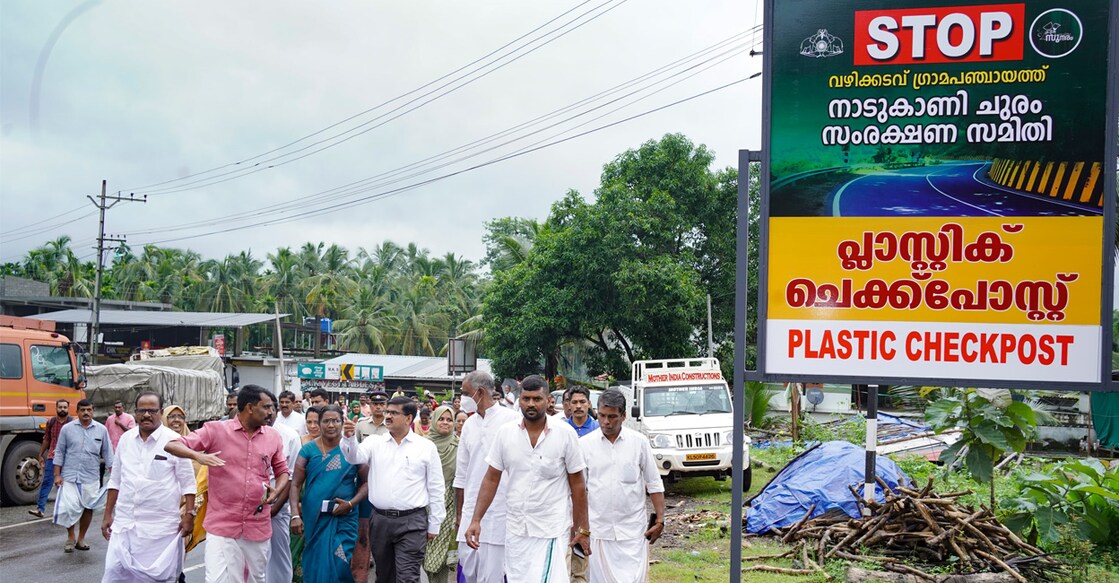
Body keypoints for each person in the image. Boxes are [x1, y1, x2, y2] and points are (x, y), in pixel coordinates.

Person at [465, 375, 590, 583]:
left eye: (537, 399)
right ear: (519, 399)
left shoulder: (564, 433)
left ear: (548, 400)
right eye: (526, 398)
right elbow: (491, 479)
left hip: (550, 529)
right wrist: (476, 519)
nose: (531, 404)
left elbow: (578, 484)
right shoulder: (505, 434)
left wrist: (582, 529)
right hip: (516, 529)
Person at [164, 384, 290, 583]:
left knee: (255, 579)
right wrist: (198, 456)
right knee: (217, 580)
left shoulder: (273, 436)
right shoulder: (215, 430)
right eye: (266, 407)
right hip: (222, 526)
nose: (271, 412)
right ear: (250, 407)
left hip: (257, 524)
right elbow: (172, 445)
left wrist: (276, 491)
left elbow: (283, 471)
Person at [341, 396, 445, 583]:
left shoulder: (426, 447)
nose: (388, 416)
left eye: (394, 413)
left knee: (407, 576)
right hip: (380, 520)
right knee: (385, 575)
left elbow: (436, 487)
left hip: (412, 522)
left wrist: (435, 523)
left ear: (408, 418)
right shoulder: (374, 442)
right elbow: (354, 457)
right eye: (388, 412)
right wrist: (348, 439)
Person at [100, 392, 197, 582]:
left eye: (152, 410)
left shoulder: (175, 441)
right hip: (125, 525)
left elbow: (188, 484)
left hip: (160, 530)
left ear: (160, 412)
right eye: (142, 410)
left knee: (158, 578)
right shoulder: (126, 440)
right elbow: (116, 480)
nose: (146, 415)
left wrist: (189, 517)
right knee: (115, 573)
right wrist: (107, 515)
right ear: (135, 413)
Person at [579, 390, 666, 583]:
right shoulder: (584, 445)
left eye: (612, 417)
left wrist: (660, 520)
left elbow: (653, 482)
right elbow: (579, 491)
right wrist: (580, 528)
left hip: (633, 532)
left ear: (623, 416)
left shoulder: (639, 442)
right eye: (602, 416)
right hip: (599, 531)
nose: (606, 422)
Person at [454, 370, 520, 583]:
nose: (462, 398)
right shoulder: (469, 425)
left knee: (492, 575)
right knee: (469, 569)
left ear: (480, 392)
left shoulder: (512, 421)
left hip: (500, 513)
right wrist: (459, 515)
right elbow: (461, 475)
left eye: (465, 392)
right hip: (469, 512)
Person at [289, 405, 367, 583]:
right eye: (326, 421)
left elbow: (366, 483)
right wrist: (294, 514)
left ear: (342, 422)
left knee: (340, 561)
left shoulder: (353, 450)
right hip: (315, 517)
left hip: (344, 517)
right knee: (316, 561)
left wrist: (350, 504)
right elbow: (295, 484)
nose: (331, 425)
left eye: (335, 421)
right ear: (319, 423)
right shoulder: (308, 450)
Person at [53, 398, 113, 553]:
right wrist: (57, 475)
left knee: (88, 507)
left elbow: (108, 453)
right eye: (82, 410)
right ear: (77, 412)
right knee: (68, 508)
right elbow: (59, 452)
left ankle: (81, 538)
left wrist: (114, 474)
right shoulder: (67, 429)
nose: (86, 413)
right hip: (69, 475)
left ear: (93, 411)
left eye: (89, 410)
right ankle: (70, 537)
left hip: (91, 476)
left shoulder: (101, 430)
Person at [164, 404, 209, 555]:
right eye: (171, 416)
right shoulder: (158, 443)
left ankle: (178, 574)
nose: (176, 420)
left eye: (180, 417)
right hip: (163, 506)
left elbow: (202, 475)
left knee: (181, 548)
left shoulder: (194, 444)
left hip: (187, 506)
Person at [422, 405, 458, 582]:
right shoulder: (421, 444)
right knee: (423, 549)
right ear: (434, 421)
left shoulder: (458, 445)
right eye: (441, 419)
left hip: (449, 504)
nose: (445, 423)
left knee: (440, 552)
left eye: (449, 419)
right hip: (422, 502)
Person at [267, 405, 302, 583]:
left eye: (270, 408)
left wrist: (274, 509)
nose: (267, 413)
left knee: (279, 557)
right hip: (250, 510)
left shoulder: (290, 435)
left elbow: (292, 478)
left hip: (278, 509)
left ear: (275, 410)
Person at [31, 399, 73, 518]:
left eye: (65, 407)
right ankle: (40, 509)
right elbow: (47, 438)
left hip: (68, 458)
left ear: (68, 409)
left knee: (66, 484)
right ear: (56, 408)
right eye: (60, 407)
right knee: (47, 482)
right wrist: (40, 454)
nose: (62, 409)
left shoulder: (72, 423)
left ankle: (68, 509)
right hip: (52, 457)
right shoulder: (51, 421)